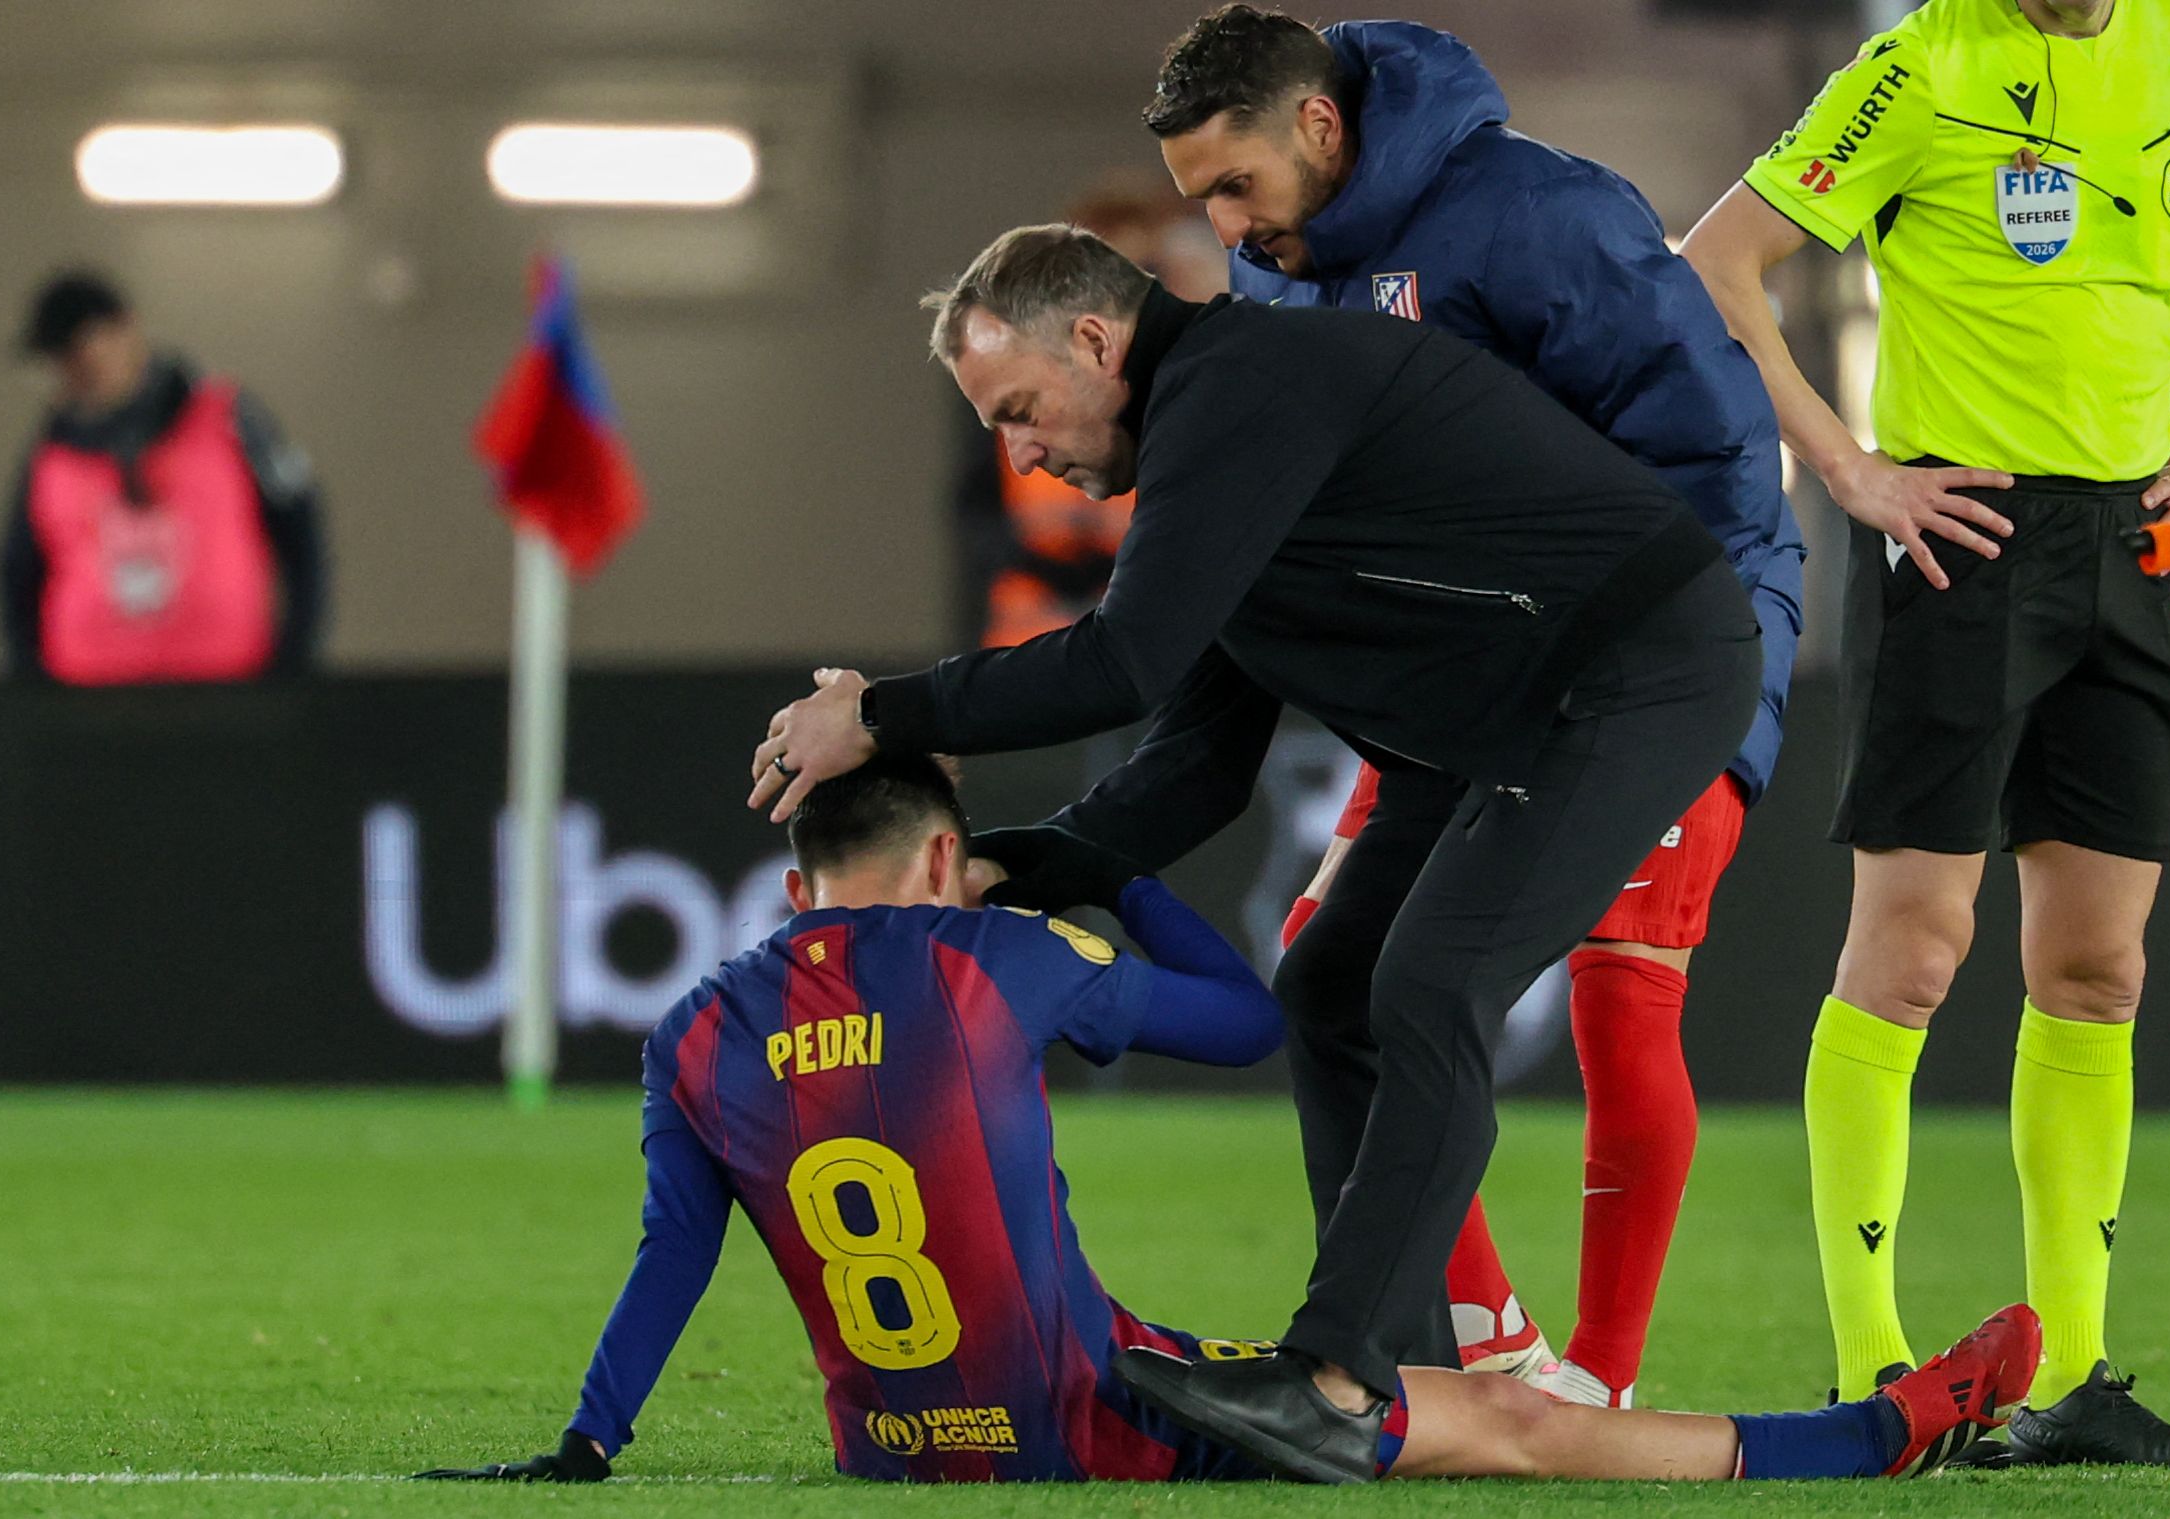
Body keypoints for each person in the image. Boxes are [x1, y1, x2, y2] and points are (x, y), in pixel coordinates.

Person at [748, 223, 1763, 1482]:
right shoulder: (1212, 440)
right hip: (1496, 713)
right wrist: (1021, 864)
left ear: (1094, 339)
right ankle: (1394, 1368)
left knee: (1432, 983)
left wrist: (882, 714)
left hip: (1635, 670)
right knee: (1331, 982)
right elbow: (1199, 758)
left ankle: (1333, 1379)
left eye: (1018, 412)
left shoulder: (1237, 390)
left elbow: (1122, 661)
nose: (1018, 454)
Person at [417, 754, 2039, 1486]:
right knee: (1503, 1421)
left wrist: (587, 1444)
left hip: (899, 1449)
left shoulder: (694, 1027)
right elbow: (1252, 1016)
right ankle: (1881, 1429)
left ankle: (1889, 1424)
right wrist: (1108, 883)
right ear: (940, 860)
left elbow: (666, 1262)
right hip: (1090, 1419)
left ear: (790, 886)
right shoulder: (998, 959)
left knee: (1389, 1396)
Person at [1139, 5, 1806, 1408]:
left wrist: (1679, 671)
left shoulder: (1539, 217)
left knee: (1619, 998)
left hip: (1668, 647)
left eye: (1232, 187)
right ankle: (1486, 1341)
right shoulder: (1282, 273)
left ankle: (1599, 1393)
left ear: (1318, 129)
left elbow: (1711, 446)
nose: (1221, 227)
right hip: (1472, 675)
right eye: (1198, 199)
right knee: (1338, 962)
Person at [1678, 0, 2170, 1467]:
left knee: (2096, 967)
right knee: (1913, 953)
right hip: (1962, 534)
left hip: (2129, 547)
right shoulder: (1915, 62)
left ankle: (2071, 1379)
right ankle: (1872, 1369)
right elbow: (1715, 261)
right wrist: (1849, 470)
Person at [0, 269, 326, 685]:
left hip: (226, 689)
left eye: (82, 348)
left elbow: (302, 531)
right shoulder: (53, 449)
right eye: (59, 359)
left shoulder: (226, 417)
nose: (75, 371)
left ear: (126, 330)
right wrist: (30, 684)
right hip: (88, 698)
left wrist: (295, 663)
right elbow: (16, 569)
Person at [955, 172, 1228, 649]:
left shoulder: (1190, 390)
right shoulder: (1008, 388)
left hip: (1141, 660)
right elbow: (977, 516)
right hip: (1035, 660)